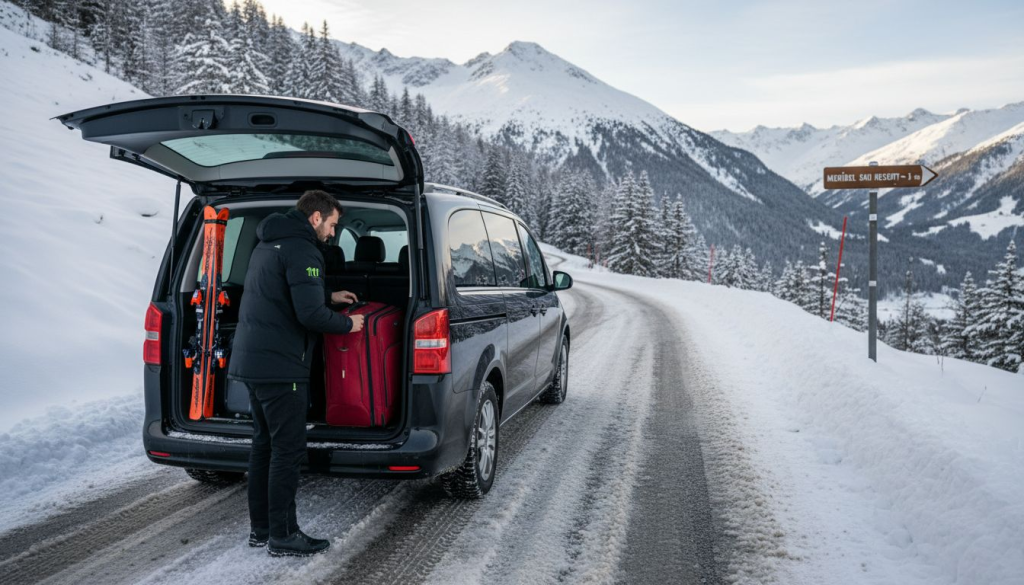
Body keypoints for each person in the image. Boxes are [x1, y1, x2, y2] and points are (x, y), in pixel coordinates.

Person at [227, 189, 364, 557]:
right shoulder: (304, 249)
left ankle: (262, 530)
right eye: (333, 224)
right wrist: (348, 325)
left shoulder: (269, 243)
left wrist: (329, 294)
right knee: (287, 451)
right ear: (316, 218)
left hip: (253, 364)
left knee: (264, 446)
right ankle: (284, 535)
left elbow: (284, 293)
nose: (333, 234)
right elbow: (309, 316)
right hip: (282, 365)